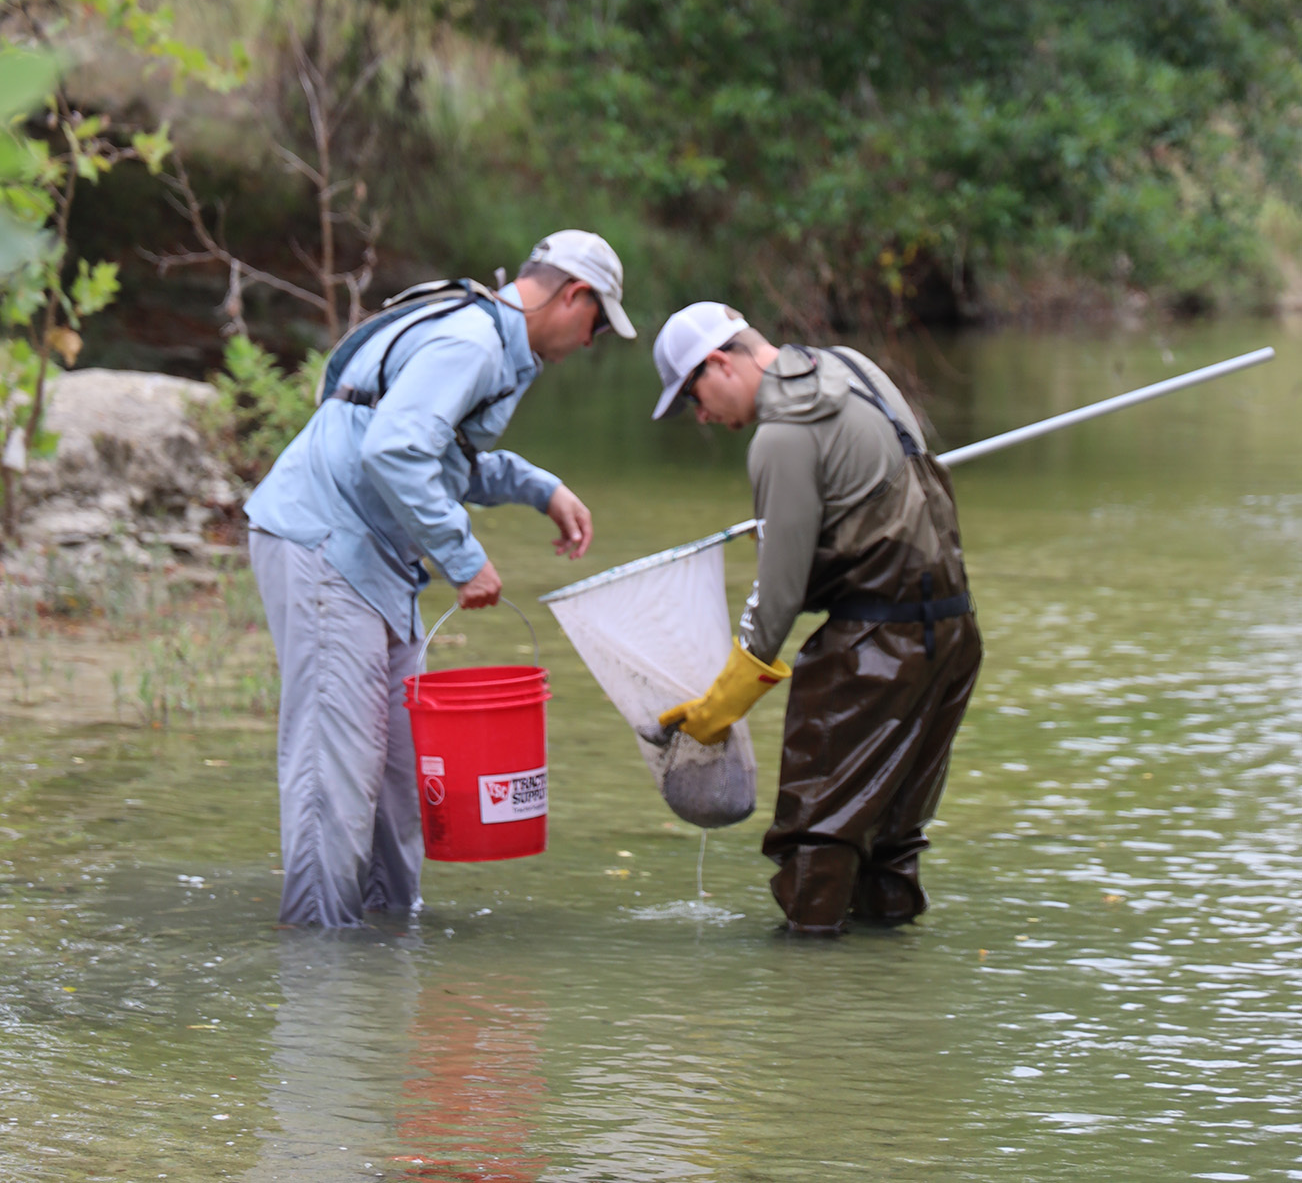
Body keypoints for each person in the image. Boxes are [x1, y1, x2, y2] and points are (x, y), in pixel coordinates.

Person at [245, 230, 636, 927]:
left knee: (401, 770)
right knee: (335, 767)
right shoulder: (474, 343)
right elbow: (392, 450)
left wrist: (538, 488)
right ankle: (317, 960)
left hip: (378, 562)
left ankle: (391, 940)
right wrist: (464, 558)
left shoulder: (490, 341)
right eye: (597, 324)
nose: (590, 341)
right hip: (327, 545)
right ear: (574, 295)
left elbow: (438, 456)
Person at [651, 302, 982, 935]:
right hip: (954, 635)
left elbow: (778, 597)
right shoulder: (851, 367)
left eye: (694, 395)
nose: (702, 415)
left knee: (816, 841)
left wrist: (722, 705)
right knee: (890, 837)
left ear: (719, 362)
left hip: (879, 648)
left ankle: (802, 1010)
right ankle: (883, 1004)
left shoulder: (782, 433)